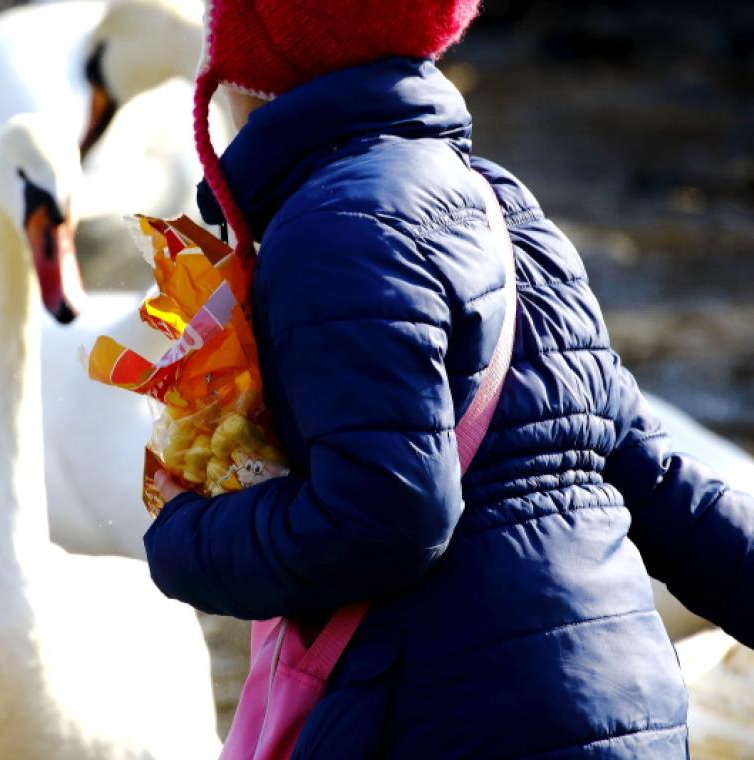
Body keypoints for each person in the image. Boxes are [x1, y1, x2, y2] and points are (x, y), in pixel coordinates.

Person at [144, 1, 754, 756]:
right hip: (624, 707)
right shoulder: (504, 206)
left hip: (463, 716)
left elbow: (389, 514)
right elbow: (650, 479)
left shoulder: (332, 228)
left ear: (257, 63)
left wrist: (186, 537)